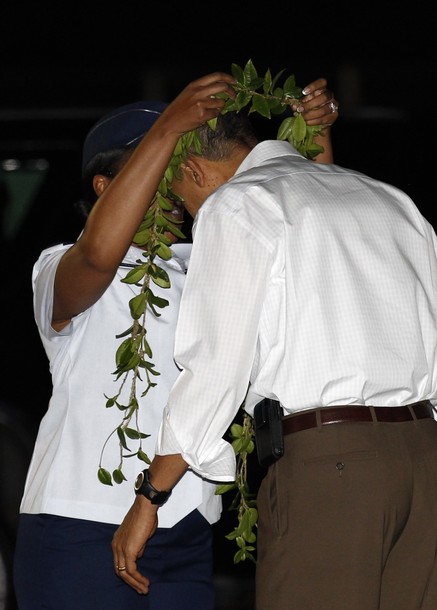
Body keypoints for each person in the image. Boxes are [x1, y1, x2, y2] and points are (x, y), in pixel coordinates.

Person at [13, 71, 339, 610]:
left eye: (178, 163)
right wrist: (169, 128)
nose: (170, 179)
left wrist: (314, 137)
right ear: (105, 186)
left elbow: (309, 242)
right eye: (155, 163)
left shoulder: (216, 261)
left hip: (185, 526)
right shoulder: (61, 265)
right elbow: (98, 255)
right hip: (79, 524)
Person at [112, 79, 437, 610]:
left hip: (333, 467)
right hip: (425, 456)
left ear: (193, 170)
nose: (188, 216)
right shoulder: (389, 199)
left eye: (181, 200)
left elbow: (215, 366)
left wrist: (151, 495)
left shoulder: (238, 204)